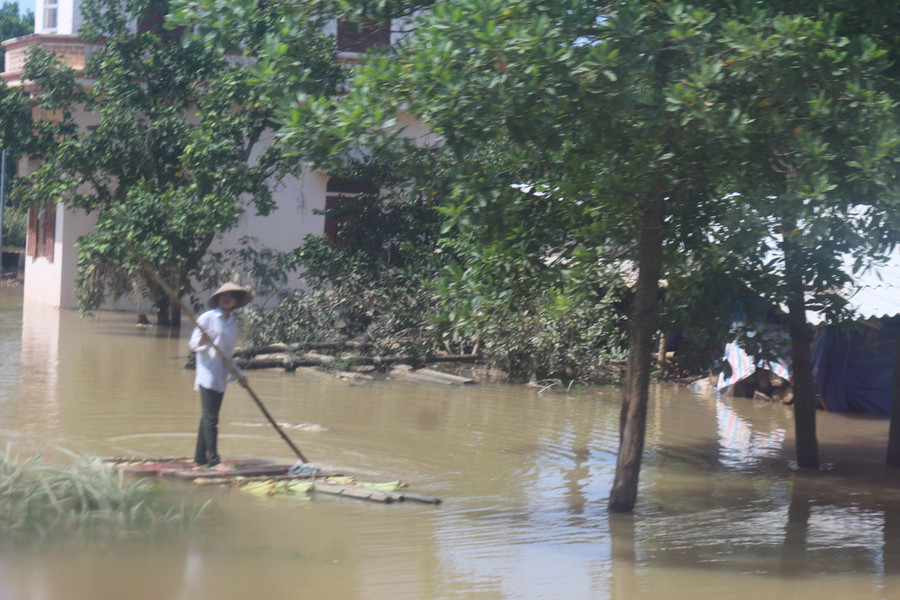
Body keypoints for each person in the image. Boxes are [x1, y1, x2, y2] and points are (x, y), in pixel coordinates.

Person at [188, 282, 253, 468]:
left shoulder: (232, 324)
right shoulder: (207, 317)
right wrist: (202, 340)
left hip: (220, 376)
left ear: (235, 302)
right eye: (224, 296)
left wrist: (240, 375)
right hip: (207, 374)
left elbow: (228, 356)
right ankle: (214, 460)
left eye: (231, 297)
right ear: (218, 299)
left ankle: (199, 459)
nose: (227, 299)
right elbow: (192, 345)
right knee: (211, 420)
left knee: (207, 418)